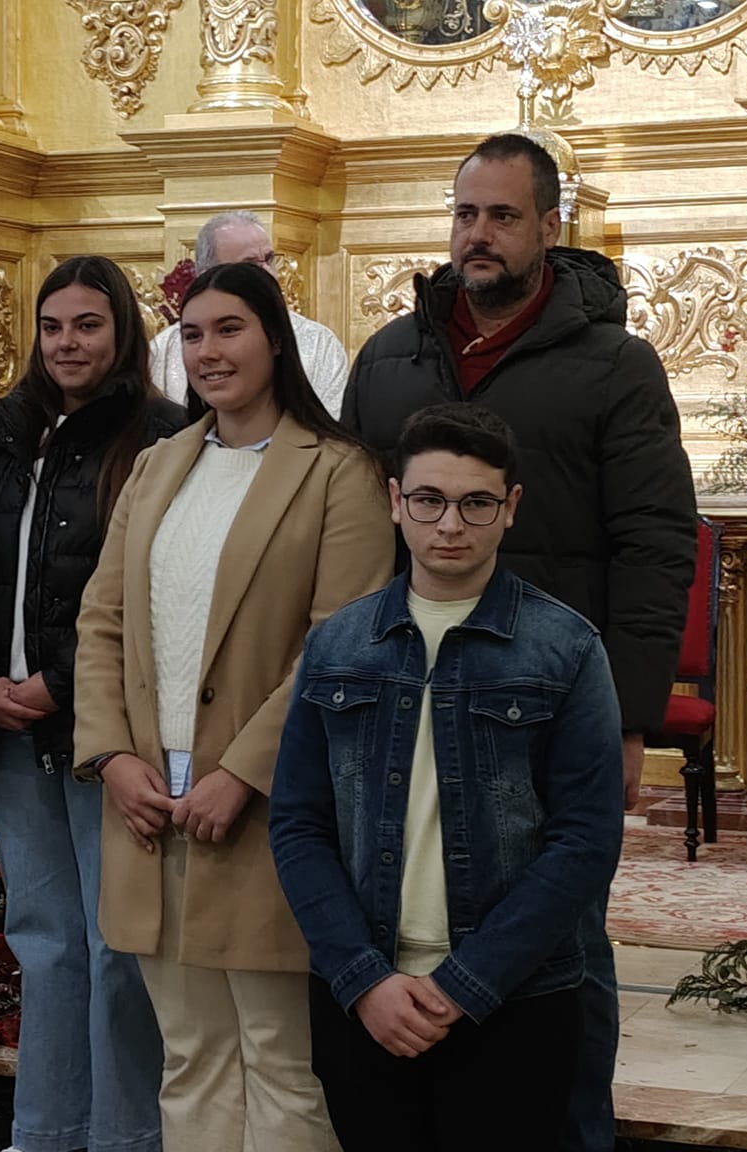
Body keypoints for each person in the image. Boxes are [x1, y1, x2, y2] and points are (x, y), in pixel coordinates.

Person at [338, 131, 697, 1152]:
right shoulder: (389, 358)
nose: (477, 235)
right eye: (464, 214)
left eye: (501, 215)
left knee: (555, 944)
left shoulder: (612, 365)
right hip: (396, 688)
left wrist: (627, 716)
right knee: (404, 923)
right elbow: (353, 528)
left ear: (549, 226)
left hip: (546, 698)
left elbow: (654, 541)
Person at [75, 261, 394, 1152]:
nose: (208, 351)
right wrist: (112, 757)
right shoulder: (156, 466)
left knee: (281, 1059)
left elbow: (341, 649)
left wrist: (244, 774)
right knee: (191, 1056)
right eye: (193, 333)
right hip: (149, 806)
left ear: (276, 340)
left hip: (267, 809)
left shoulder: (339, 473)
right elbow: (100, 622)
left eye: (230, 329)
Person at [270, 403, 624, 1150]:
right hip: (368, 997)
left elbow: (585, 842)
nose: (450, 525)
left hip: (518, 997)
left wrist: (464, 985)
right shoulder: (338, 644)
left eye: (476, 503)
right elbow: (299, 825)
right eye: (429, 500)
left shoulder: (565, 648)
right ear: (396, 502)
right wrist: (363, 979)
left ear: (511, 508)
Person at [0, 255, 184, 1152]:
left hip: (103, 732)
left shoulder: (160, 436)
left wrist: (57, 681)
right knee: (44, 943)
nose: (67, 343)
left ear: (122, 334)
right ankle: (44, 1134)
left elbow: (149, 590)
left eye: (87, 325)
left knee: (117, 947)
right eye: (53, 326)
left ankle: (121, 1139)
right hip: (4, 725)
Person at [148, 211, 349, 416]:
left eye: (269, 260)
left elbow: (329, 427)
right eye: (250, 265)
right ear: (207, 273)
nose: (268, 273)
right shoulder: (162, 350)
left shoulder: (318, 343)